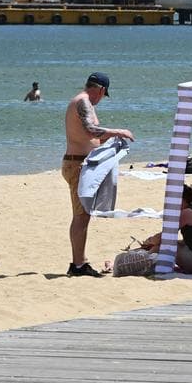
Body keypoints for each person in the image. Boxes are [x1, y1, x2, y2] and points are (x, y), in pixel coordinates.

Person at [62, 72, 135, 278]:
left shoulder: (85, 103)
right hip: (76, 164)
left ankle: (81, 261)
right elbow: (91, 130)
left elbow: (93, 138)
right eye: (103, 95)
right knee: (80, 215)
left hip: (82, 163)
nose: (101, 99)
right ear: (101, 90)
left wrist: (112, 145)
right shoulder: (83, 101)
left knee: (84, 215)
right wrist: (118, 131)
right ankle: (77, 266)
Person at [137, 184, 192, 272]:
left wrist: (149, 241)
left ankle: (138, 263)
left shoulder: (187, 213)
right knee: (173, 244)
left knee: (161, 248)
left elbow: (166, 235)